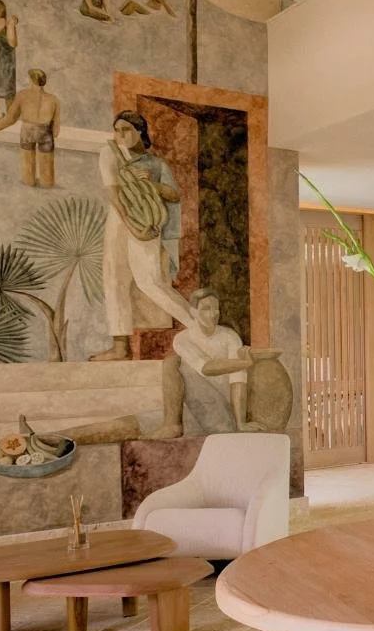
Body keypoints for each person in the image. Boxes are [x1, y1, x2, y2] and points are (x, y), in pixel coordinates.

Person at [92, 113, 195, 361]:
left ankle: (200, 328)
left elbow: (173, 195)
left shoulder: (156, 164)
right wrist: (130, 225)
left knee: (150, 281)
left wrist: (152, 184)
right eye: (117, 130)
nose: (120, 135)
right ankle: (120, 347)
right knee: (114, 280)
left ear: (140, 131)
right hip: (120, 220)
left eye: (126, 130)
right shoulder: (110, 154)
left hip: (147, 220)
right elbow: (114, 194)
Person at [172, 288, 261, 431]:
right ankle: (173, 424)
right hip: (192, 406)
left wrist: (240, 423)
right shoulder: (182, 339)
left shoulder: (229, 336)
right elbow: (205, 368)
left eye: (216, 309)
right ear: (193, 311)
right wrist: (242, 363)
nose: (213, 314)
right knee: (172, 365)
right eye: (206, 309)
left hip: (221, 412)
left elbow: (237, 380)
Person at [0, 67, 61, 187]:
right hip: (45, 133)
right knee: (47, 182)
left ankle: (30, 186)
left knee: (28, 180)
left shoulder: (22, 95)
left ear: (31, 81)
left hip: (27, 131)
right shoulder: (54, 100)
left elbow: (10, 119)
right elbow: (56, 131)